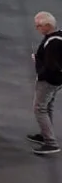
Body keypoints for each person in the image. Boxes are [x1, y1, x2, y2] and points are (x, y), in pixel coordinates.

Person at [30, 11, 62, 155]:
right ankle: (45, 134)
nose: (37, 29)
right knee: (48, 106)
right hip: (57, 80)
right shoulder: (59, 36)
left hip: (49, 81)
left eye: (38, 26)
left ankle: (51, 142)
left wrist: (37, 61)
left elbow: (50, 66)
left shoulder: (52, 43)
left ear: (48, 26)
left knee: (39, 108)